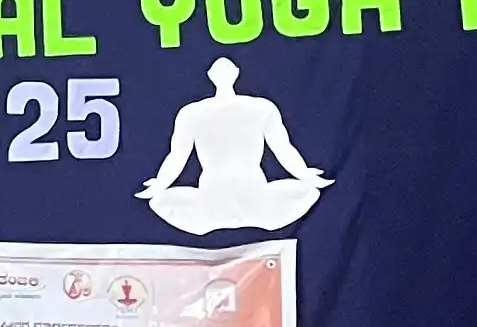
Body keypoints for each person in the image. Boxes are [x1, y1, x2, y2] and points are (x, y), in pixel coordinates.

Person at [136, 58, 331, 233]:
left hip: (246, 190)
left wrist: (304, 174)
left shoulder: (258, 108)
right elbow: (177, 156)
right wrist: (160, 184)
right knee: (161, 201)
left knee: (306, 192)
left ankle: (238, 211)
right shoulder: (194, 113)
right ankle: (229, 211)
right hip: (218, 192)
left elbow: (283, 148)